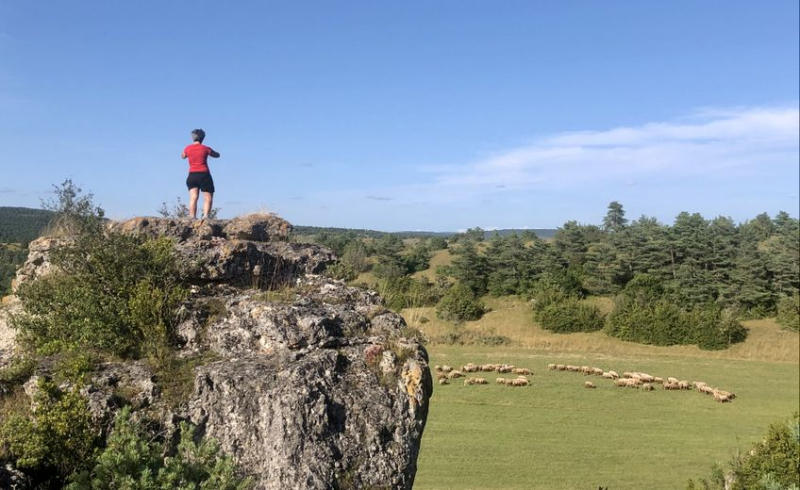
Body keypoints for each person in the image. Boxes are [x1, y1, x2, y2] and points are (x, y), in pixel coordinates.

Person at [181, 129, 220, 219]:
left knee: (193, 197)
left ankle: (192, 216)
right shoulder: (206, 148)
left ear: (192, 137)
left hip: (192, 175)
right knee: (207, 197)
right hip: (204, 174)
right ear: (203, 138)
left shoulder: (187, 148)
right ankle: (206, 216)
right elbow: (216, 155)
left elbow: (183, 156)